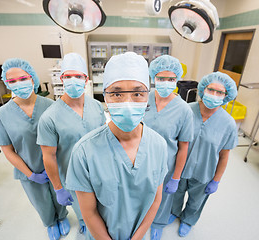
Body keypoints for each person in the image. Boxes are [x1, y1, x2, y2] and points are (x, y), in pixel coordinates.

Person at [65, 52, 168, 240]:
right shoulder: (84, 152)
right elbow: (89, 213)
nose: (127, 103)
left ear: (148, 96)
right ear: (105, 96)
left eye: (137, 93)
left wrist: (137, 237)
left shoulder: (158, 145)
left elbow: (155, 200)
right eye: (117, 93)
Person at [0, 58, 66, 240]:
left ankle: (62, 217)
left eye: (23, 78)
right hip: (29, 169)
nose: (19, 84)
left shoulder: (51, 106)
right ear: (6, 84)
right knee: (41, 202)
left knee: (60, 195)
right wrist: (30, 174)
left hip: (55, 166)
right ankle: (50, 223)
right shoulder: (3, 114)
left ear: (32, 78)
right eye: (12, 81)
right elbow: (7, 150)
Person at [37, 53, 106, 235]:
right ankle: (84, 221)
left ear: (86, 79)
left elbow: (104, 137)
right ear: (61, 79)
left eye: (78, 76)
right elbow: (49, 156)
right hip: (72, 176)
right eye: (68, 76)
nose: (73, 80)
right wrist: (58, 188)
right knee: (83, 209)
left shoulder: (97, 106)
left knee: (102, 206)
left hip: (99, 170)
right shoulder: (49, 117)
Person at [170, 71, 238, 237]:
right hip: (180, 168)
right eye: (211, 89)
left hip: (204, 172)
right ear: (202, 90)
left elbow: (224, 155)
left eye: (220, 92)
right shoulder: (186, 111)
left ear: (226, 95)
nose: (214, 95)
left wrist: (216, 180)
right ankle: (174, 212)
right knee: (176, 195)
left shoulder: (228, 123)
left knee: (196, 200)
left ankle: (188, 220)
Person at [143, 55, 194, 240]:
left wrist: (176, 177)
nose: (165, 83)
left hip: (166, 164)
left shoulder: (183, 110)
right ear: (153, 77)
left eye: (171, 79)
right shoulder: (143, 99)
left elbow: (183, 146)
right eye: (161, 78)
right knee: (141, 193)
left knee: (163, 198)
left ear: (177, 80)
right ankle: (142, 220)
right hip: (140, 160)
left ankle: (158, 223)